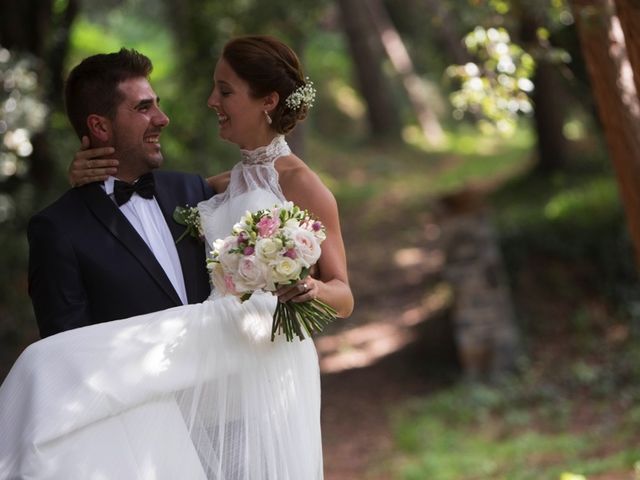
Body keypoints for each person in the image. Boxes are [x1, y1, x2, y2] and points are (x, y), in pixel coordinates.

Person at [0, 35, 353, 479]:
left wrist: (310, 289)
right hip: (168, 415)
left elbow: (343, 293)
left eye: (225, 91)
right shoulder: (209, 187)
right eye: (144, 107)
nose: (211, 102)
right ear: (100, 126)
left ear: (267, 101)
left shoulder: (295, 183)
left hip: (258, 378)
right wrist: (86, 183)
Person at [28, 48, 214, 338]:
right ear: (100, 126)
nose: (162, 118)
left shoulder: (194, 190)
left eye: (157, 105)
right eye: (143, 108)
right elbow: (66, 352)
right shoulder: (57, 230)